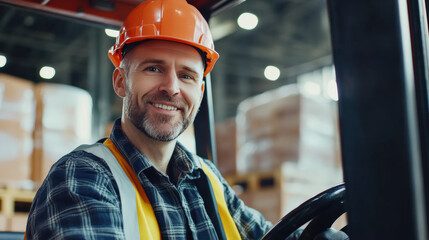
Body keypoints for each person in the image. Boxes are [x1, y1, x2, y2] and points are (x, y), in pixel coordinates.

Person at [25, 0, 272, 239]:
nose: (172, 88)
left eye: (187, 76)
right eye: (154, 68)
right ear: (121, 81)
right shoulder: (82, 177)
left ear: (200, 92)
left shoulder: (207, 179)